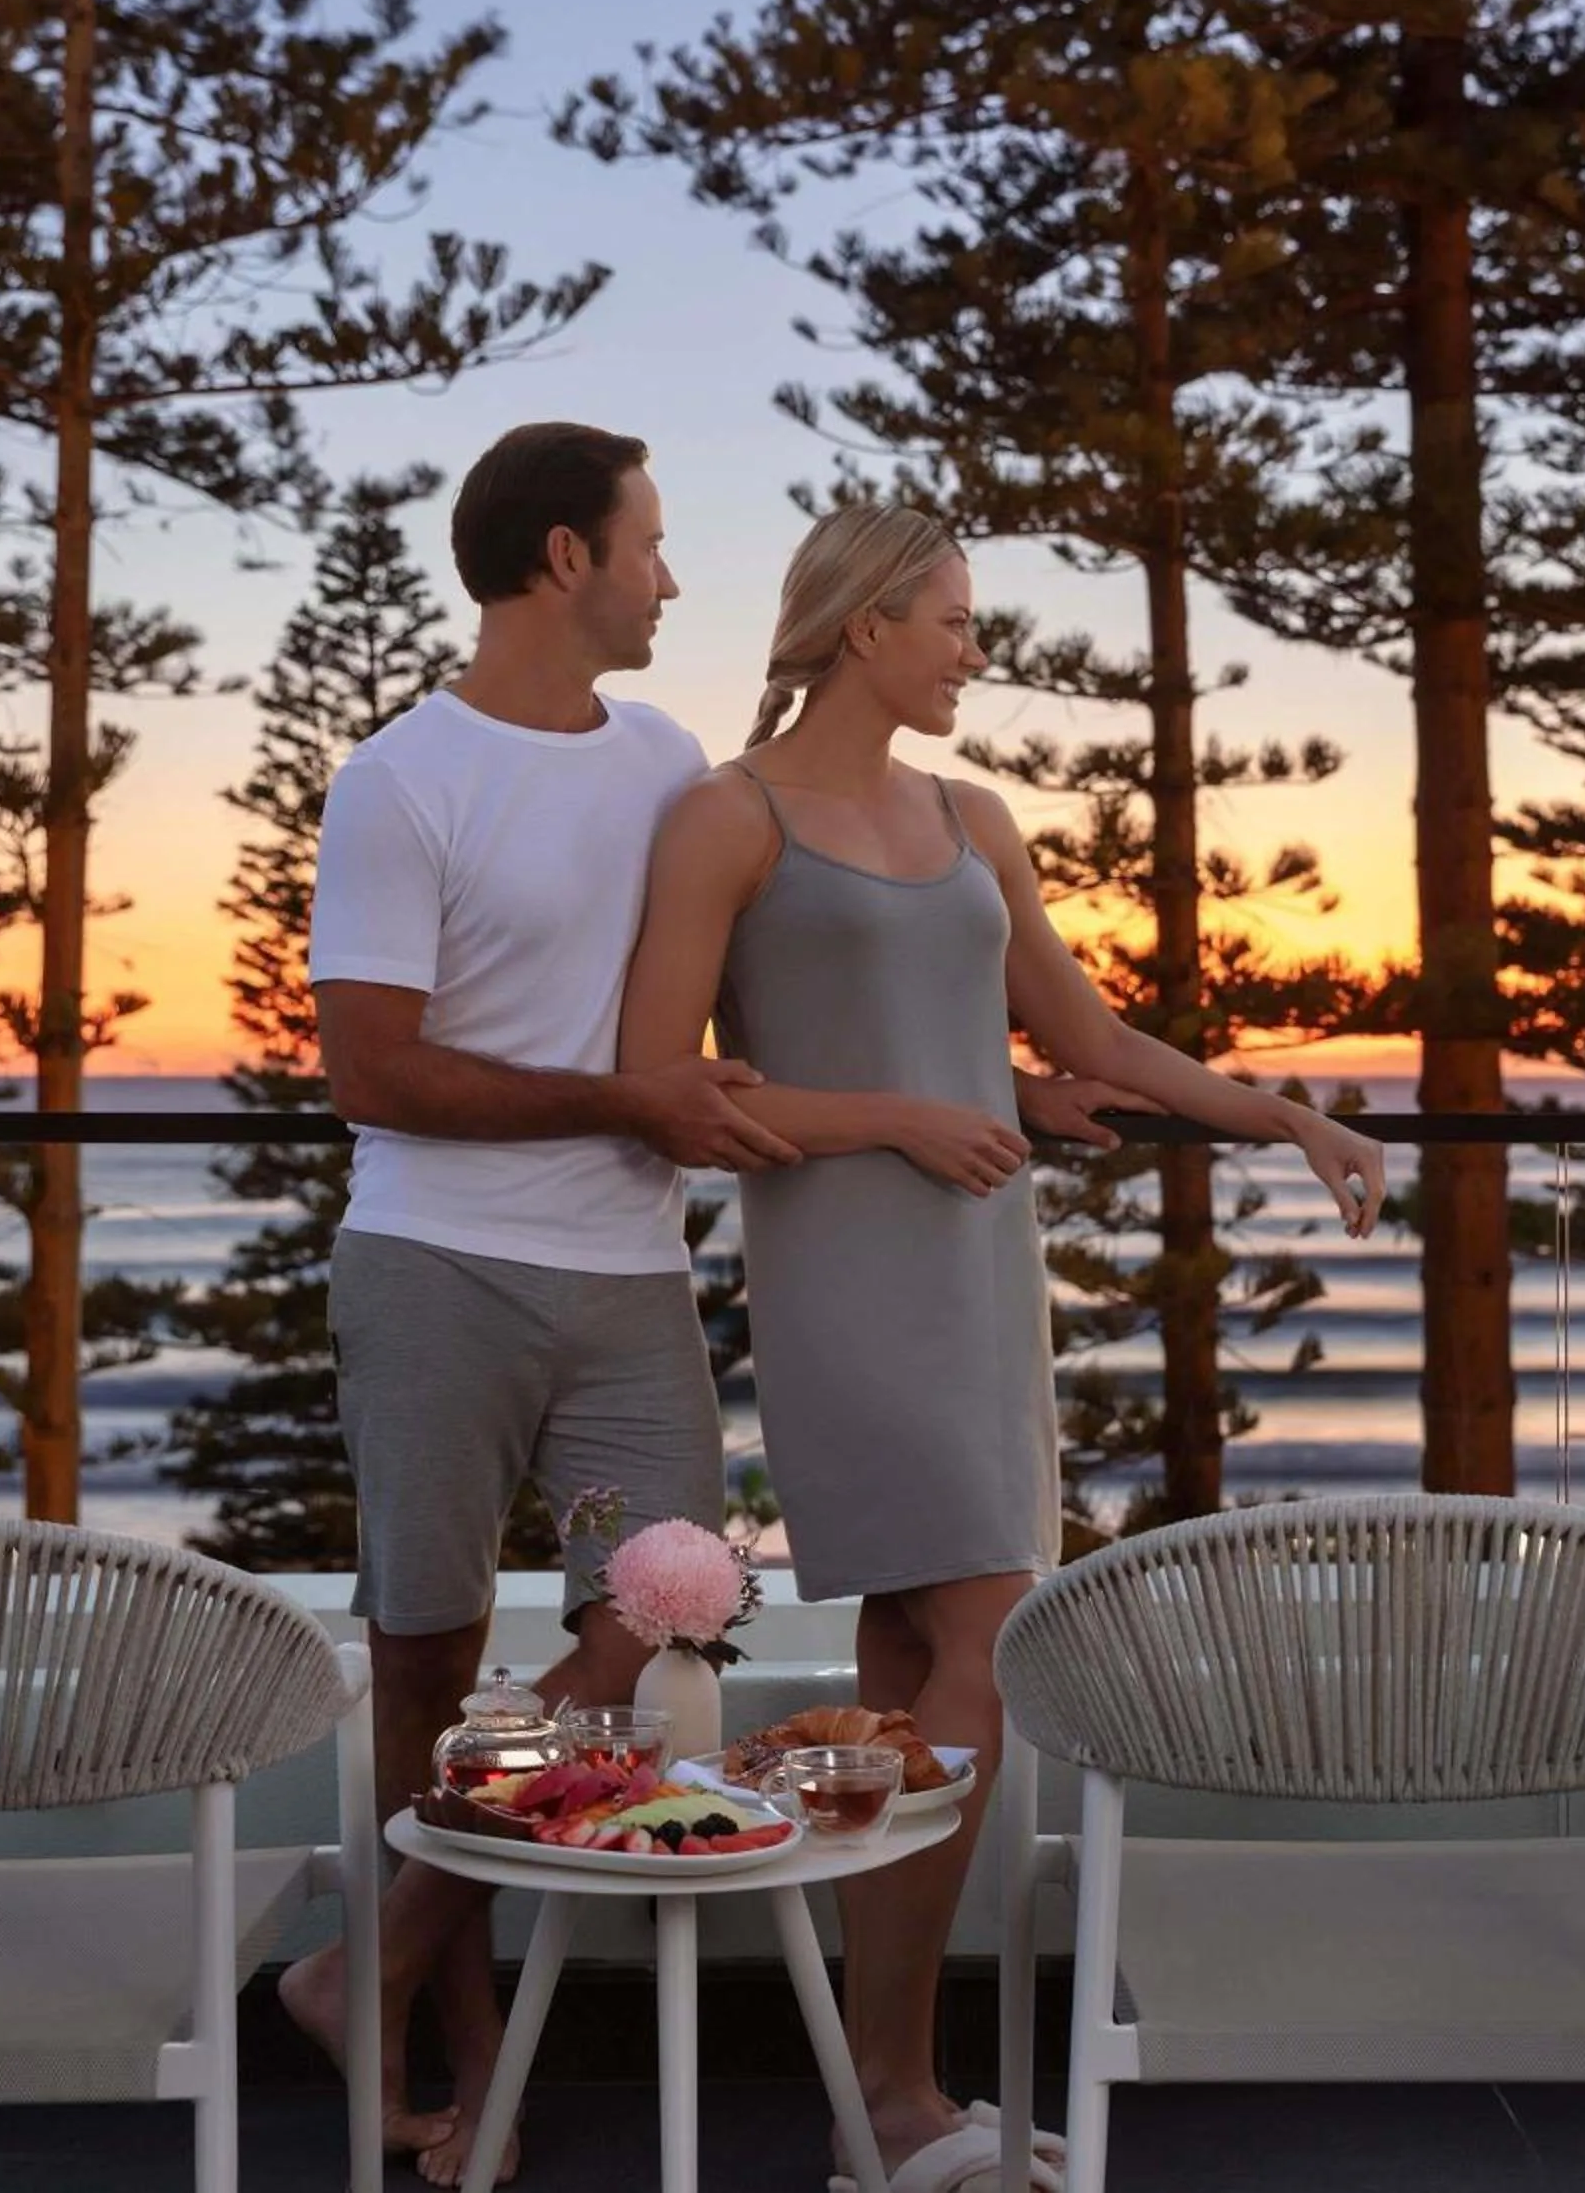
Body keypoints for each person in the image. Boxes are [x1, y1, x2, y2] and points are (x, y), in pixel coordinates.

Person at [279, 430, 1135, 2187]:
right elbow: (370, 1069)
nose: (674, 578)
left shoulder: (672, 765)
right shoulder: (399, 780)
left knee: (662, 1629)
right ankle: (461, 2060)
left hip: (630, 1277)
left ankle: (365, 1963)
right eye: (651, 546)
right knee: (429, 1659)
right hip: (436, 1267)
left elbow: (798, 978)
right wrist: (634, 1099)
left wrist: (995, 1082)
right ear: (565, 558)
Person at [620, 501, 1387, 2190]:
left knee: (917, 1646)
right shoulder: (729, 816)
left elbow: (1086, 1030)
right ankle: (891, 2089)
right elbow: (669, 1085)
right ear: (866, 625)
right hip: (844, 1266)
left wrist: (1283, 1116)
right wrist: (907, 1111)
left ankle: (876, 2088)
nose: (979, 651)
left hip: (980, 1264)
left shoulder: (973, 816)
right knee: (987, 1627)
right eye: (956, 621)